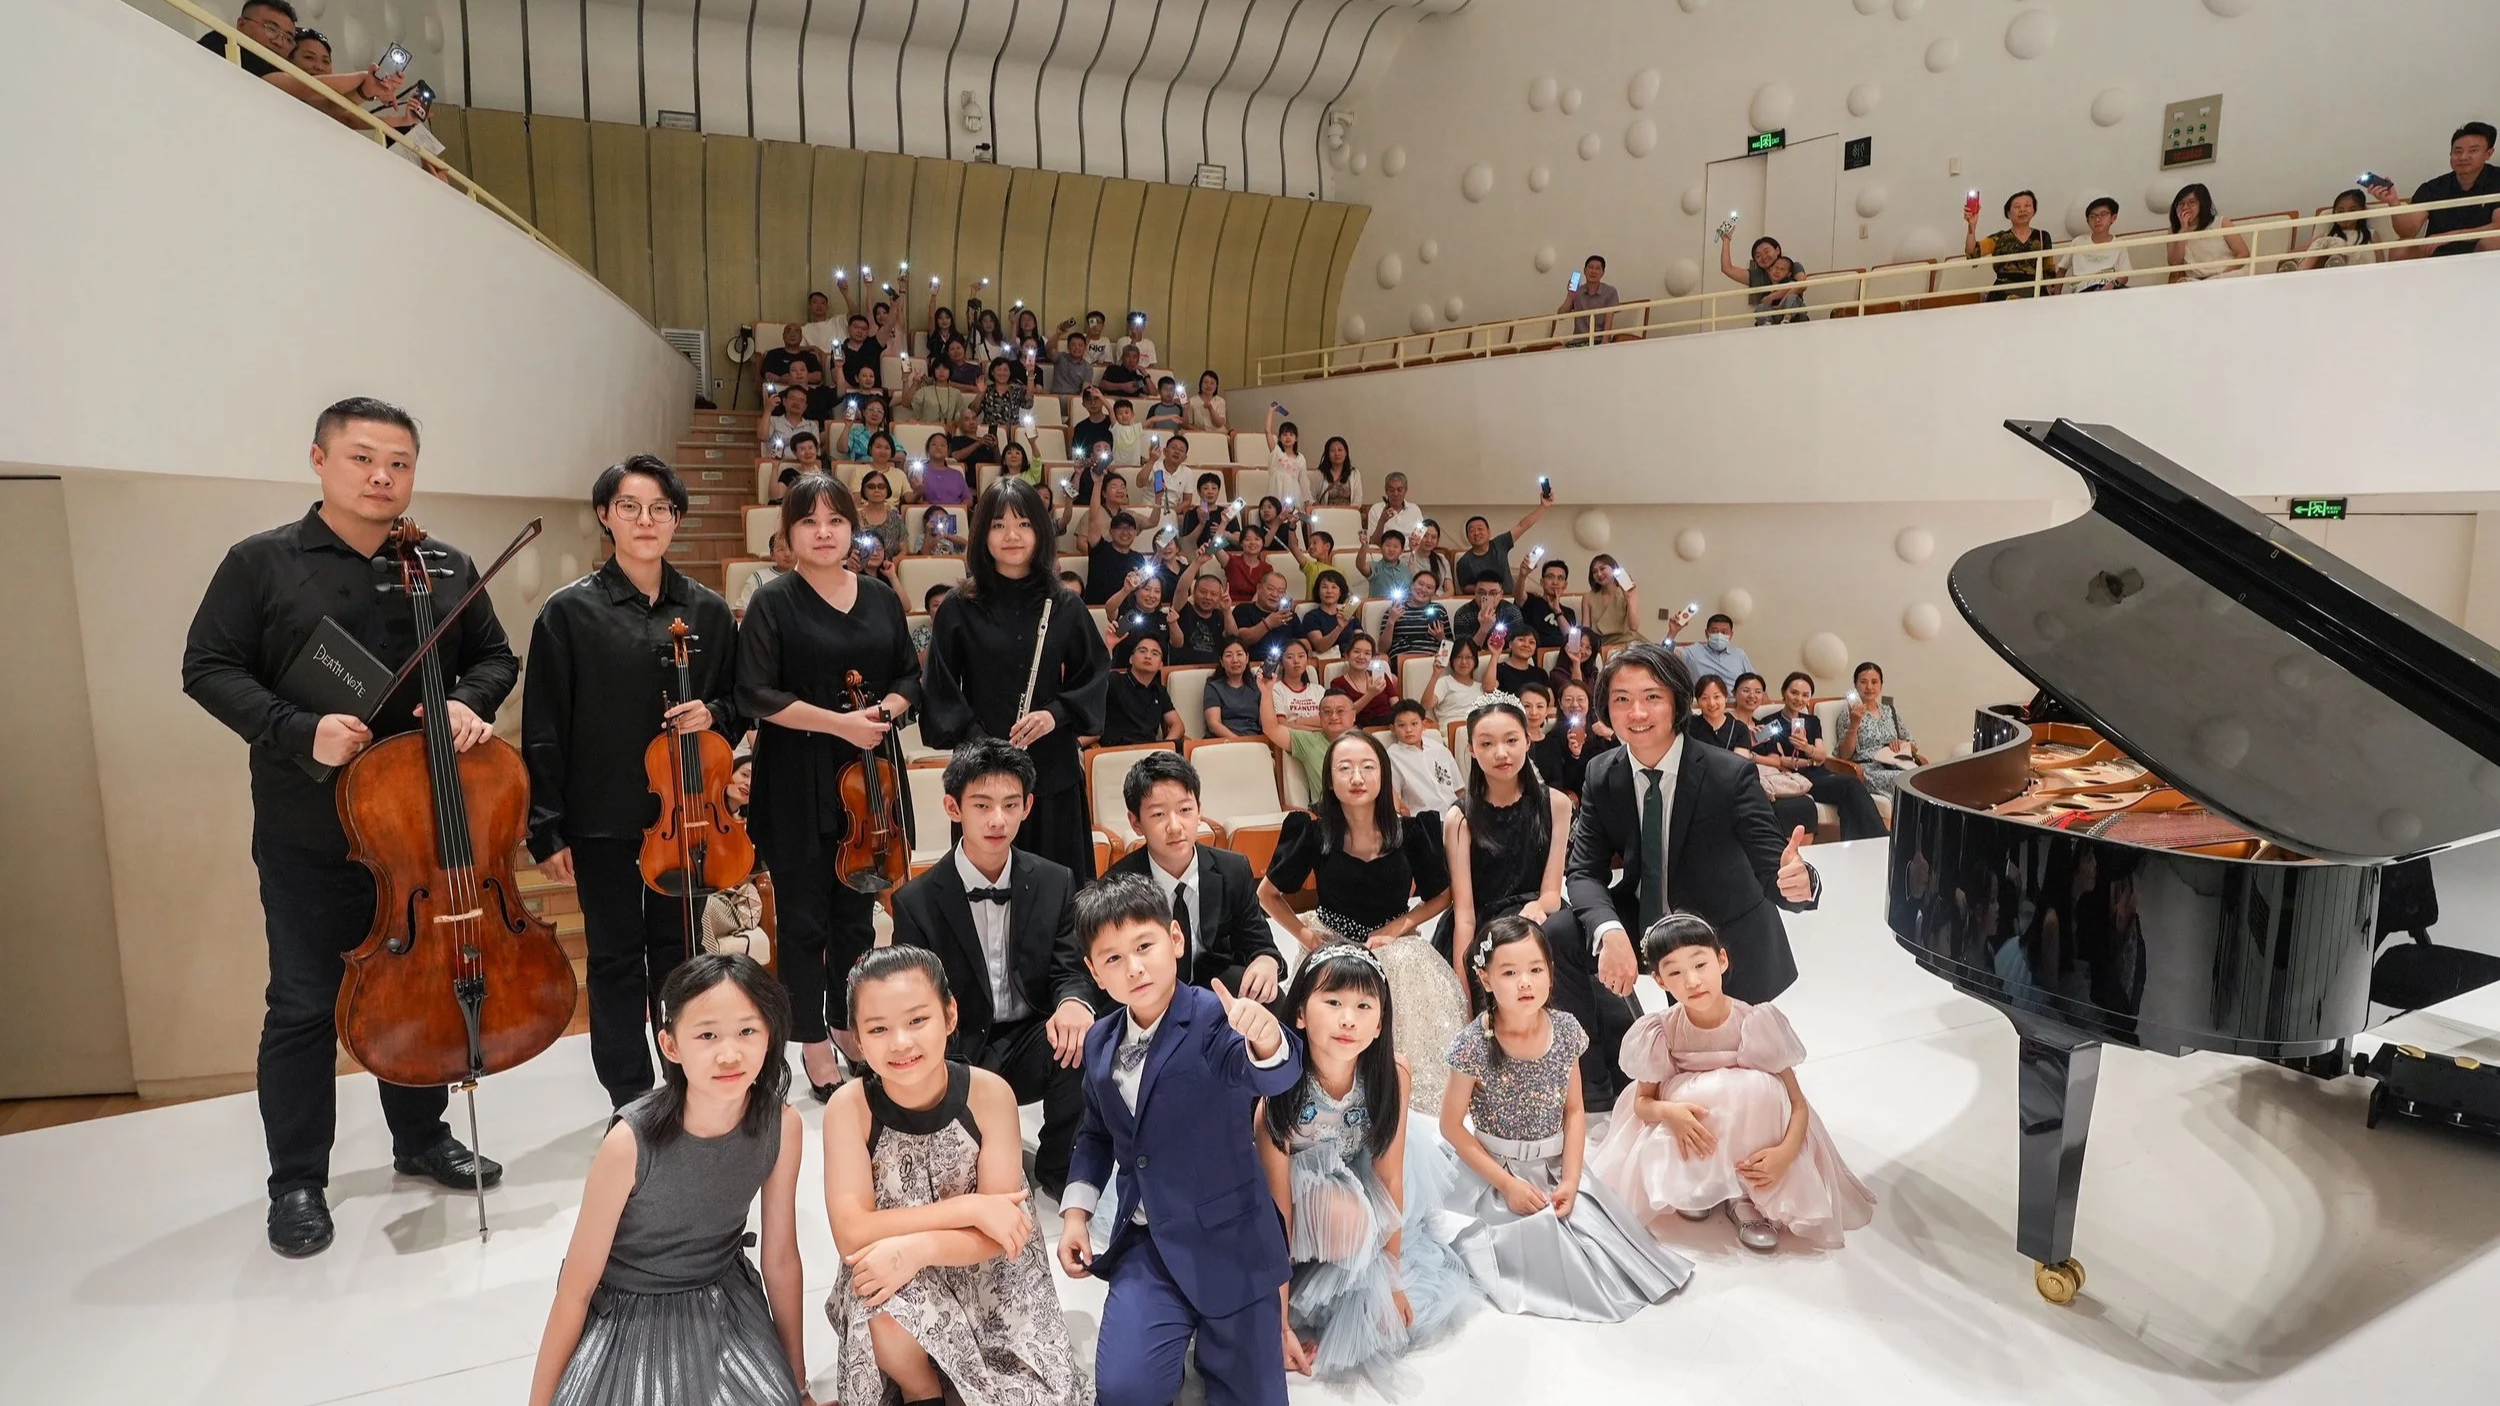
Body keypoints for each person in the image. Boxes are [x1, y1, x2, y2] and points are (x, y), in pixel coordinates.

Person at [182, 396, 517, 1258]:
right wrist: (301, 730)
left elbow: (494, 657)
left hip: (425, 837)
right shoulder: (262, 563)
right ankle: (297, 1181)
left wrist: (468, 703)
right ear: (320, 460)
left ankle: (420, 1136)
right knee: (301, 1007)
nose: (382, 476)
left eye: (399, 463)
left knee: (426, 982)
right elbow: (207, 666)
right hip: (311, 831)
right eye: (364, 458)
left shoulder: (441, 564)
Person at [524, 457, 741, 1110]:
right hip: (602, 818)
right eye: (629, 507)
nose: (646, 521)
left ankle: (686, 1085)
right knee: (617, 960)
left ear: (676, 519)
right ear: (605, 516)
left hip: (689, 819)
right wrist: (546, 828)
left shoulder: (706, 608)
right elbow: (544, 727)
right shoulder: (568, 614)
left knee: (681, 957)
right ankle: (629, 1097)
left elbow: (736, 701)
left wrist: (716, 714)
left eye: (660, 509)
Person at [1058, 876, 1300, 1406]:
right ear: (1095, 973)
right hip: (1148, 1244)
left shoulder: (1215, 1017)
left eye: (1144, 946)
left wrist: (1265, 1037)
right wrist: (1076, 1213)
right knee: (1123, 1391)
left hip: (1231, 1240)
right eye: (1114, 959)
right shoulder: (1100, 1041)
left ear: (1175, 939)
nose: (1135, 967)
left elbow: (1272, 1077)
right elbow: (1096, 1131)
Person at [528, 956, 809, 1406]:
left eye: (747, 1031)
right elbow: (576, 1288)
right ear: (671, 1045)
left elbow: (780, 1259)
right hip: (628, 1315)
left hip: (725, 1302)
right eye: (707, 1035)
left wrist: (797, 1382)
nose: (729, 1053)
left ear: (770, 1035)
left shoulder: (782, 1125)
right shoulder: (629, 1142)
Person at [818, 946, 1080, 1406]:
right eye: (878, 1029)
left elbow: (1005, 1232)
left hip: (986, 1270)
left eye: (917, 1020)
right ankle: (923, 1393)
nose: (900, 1042)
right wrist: (968, 1207)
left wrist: (923, 1247)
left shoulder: (989, 1093)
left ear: (949, 1014)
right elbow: (852, 1233)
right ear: (856, 1039)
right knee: (879, 1301)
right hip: (894, 1273)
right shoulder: (850, 1106)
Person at [1564, 644, 1820, 1108]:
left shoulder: (1728, 772)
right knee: (1561, 932)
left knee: (1733, 1086)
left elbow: (1773, 866)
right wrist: (1609, 930)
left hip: (1721, 930)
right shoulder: (1603, 772)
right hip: (1645, 917)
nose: (1636, 712)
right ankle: (1609, 1074)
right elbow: (1584, 869)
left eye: (1651, 697)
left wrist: (1800, 882)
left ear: (1679, 702)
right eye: (1621, 699)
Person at [737, 474, 922, 1102]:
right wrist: (841, 722)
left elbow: (908, 676)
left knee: (858, 917)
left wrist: (888, 710)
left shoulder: (878, 597)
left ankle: (847, 1024)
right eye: (810, 521)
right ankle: (811, 1040)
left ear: (852, 528)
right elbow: (757, 694)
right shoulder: (773, 602)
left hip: (867, 783)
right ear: (788, 534)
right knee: (803, 920)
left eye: (836, 520)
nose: (824, 532)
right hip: (795, 777)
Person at [1440, 917, 1693, 1321]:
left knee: (1602, 1245)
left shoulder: (1566, 1030)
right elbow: (1450, 1126)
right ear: (1485, 979)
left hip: (1556, 1164)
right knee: (1530, 1251)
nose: (1525, 982)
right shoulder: (1473, 1044)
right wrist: (1506, 1184)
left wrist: (1573, 1178)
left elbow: (1575, 1111)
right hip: (1495, 1171)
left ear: (1551, 973)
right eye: (1509, 972)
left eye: (1535, 970)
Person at [887, 740, 1097, 1203]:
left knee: (1087, 1035)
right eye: (981, 805)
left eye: (1010, 805)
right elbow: (914, 998)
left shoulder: (1054, 879)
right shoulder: (915, 901)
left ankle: (1060, 1169)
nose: (997, 820)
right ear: (953, 807)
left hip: (1031, 1034)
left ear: (1028, 807)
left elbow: (1070, 965)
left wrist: (1073, 1003)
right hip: (958, 1042)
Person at [1588, 914, 1875, 1252]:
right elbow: (1643, 1102)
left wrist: (1785, 1153)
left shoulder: (1753, 1021)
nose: (1692, 981)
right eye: (1675, 972)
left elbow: (1796, 1103)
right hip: (1695, 1133)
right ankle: (1696, 1182)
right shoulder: (1662, 1031)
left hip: (1748, 1135)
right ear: (1660, 981)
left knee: (1759, 1090)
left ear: (1721, 960)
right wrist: (1670, 1113)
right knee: (1692, 1094)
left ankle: (1744, 1195)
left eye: (1700, 964)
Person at [1257, 948, 1476, 1386]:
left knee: (1368, 1229)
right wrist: (1278, 1324)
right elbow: (1274, 1211)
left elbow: (1390, 1177)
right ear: (1299, 1012)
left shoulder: (1391, 1074)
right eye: (1332, 1002)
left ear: (1380, 1025)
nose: (1348, 1020)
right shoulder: (1279, 1089)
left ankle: (1336, 1258)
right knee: (1348, 1219)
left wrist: (1391, 1281)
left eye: (1363, 1007)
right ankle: (1301, 1271)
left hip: (1350, 1171)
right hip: (1282, 1190)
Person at [1257, 731, 1465, 1113]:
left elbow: (1442, 894)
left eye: (1368, 767)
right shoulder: (1314, 833)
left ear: (1383, 775)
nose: (1357, 777)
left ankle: (1399, 1103)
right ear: (1330, 779)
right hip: (1334, 940)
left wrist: (1399, 927)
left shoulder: (1411, 831)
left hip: (1394, 943)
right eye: (1345, 768)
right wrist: (1306, 935)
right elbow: (1267, 895)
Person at [921, 478, 1112, 879]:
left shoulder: (1063, 604)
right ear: (981, 534)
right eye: (998, 525)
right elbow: (940, 687)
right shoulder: (959, 606)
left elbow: (1093, 673)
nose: (1011, 535)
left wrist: (1053, 715)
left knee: (1058, 890)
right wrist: (981, 743)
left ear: (1040, 532)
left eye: (1024, 524)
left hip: (1051, 770)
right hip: (982, 774)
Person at [1106, 750, 1288, 1001]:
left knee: (1271, 995)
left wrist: (1266, 960)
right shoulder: (1119, 886)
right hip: (1150, 992)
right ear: (1136, 822)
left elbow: (1258, 939)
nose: (1175, 826)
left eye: (1185, 809)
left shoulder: (1231, 869)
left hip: (1215, 982)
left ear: (1199, 810)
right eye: (1158, 814)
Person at [1440, 694, 1578, 977]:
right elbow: (1464, 914)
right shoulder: (1460, 817)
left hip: (1540, 919)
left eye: (1511, 740)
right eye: (1487, 743)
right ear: (1472, 750)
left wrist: (1537, 906)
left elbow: (1552, 892)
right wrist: (1465, 984)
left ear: (1528, 741)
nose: (1501, 753)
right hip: (1485, 929)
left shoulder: (1557, 804)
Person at [1755, 671, 1887, 840]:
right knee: (1850, 784)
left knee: (1849, 794)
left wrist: (1806, 747)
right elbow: (1779, 760)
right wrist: (1808, 760)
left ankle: (1860, 843)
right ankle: (1881, 839)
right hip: (1794, 778)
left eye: (1805, 695)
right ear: (1783, 692)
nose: (1798, 699)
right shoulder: (1769, 722)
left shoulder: (1812, 721)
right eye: (1793, 692)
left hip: (1819, 773)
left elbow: (1821, 755)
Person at [1682, 674, 1817, 840]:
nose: (1711, 703)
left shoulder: (1751, 727)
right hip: (1709, 784)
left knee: (1803, 804)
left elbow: (1749, 764)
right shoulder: (1692, 726)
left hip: (1741, 781)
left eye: (1717, 697)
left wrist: (1751, 750)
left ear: (1725, 697)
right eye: (1705, 698)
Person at [2374, 121, 2500, 257]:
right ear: (2450, 154)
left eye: (2473, 150)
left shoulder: (2496, 178)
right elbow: (2408, 232)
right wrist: (2393, 202)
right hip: (2438, 251)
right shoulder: (2434, 187)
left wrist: (2451, 236)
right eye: (2458, 151)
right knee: (2399, 248)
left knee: (2493, 241)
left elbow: (2497, 226)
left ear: (2488, 154)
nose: (2463, 157)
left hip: (2478, 248)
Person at [1835, 660, 1925, 799]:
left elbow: (1914, 745)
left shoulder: (1890, 711)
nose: (1869, 687)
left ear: (1881, 685)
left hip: (1897, 764)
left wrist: (1902, 744)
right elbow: (1845, 755)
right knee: (1905, 780)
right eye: (1863, 682)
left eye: (1874, 682)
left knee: (1924, 776)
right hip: (1869, 770)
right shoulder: (1848, 714)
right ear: (1855, 684)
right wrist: (1854, 724)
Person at [1451, 488, 1554, 589]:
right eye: (1472, 530)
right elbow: (1465, 587)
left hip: (1509, 599)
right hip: (1484, 602)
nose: (1476, 533)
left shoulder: (1499, 543)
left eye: (1480, 529)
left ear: (1489, 532)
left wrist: (1543, 506)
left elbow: (1522, 525)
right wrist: (1487, 589)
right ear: (1467, 537)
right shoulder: (1464, 561)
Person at [1964, 189, 2056, 300]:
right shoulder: (1999, 238)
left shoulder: (2043, 236)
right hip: (2003, 291)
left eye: (2027, 205)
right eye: (2017, 207)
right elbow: (1972, 253)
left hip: (2034, 290)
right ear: (2008, 213)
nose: (2022, 209)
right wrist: (1972, 226)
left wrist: (2052, 294)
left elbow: (2049, 269)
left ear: (2034, 210)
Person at [1530, 681, 1616, 798]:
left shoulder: (1604, 726)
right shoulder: (1554, 737)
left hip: (1611, 786)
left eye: (1580, 699)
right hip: (1583, 794)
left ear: (1589, 702)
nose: (1575, 704)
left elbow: (1622, 758)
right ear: (1560, 704)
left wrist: (1611, 735)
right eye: (1568, 700)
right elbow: (1565, 782)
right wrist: (1574, 756)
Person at [1096, 636, 1182, 746]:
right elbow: (1094, 679)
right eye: (1142, 651)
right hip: (1116, 752)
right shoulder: (1114, 680)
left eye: (1155, 653)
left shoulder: (1159, 691)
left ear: (1161, 665)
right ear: (1131, 659)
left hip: (1149, 754)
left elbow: (1177, 724)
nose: (1148, 656)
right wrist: (1108, 647)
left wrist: (1163, 747)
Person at [2166, 183, 2251, 280]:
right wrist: (2184, 229)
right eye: (2181, 204)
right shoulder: (2174, 230)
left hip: (2228, 275)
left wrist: (2220, 276)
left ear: (2202, 204)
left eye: (2191, 202)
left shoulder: (2222, 223)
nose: (2185, 207)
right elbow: (2174, 263)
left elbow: (2243, 253)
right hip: (2196, 281)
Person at [1718, 228, 1800, 325]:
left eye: (1766, 251)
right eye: (1758, 256)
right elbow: (1727, 269)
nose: (1763, 257)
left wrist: (1771, 297)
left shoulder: (1793, 266)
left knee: (1793, 299)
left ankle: (1787, 318)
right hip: (1768, 322)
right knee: (1760, 308)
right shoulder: (1755, 275)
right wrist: (1726, 241)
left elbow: (1801, 285)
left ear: (1777, 250)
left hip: (1796, 321)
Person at [2296, 188, 2381, 269]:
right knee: (2324, 242)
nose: (2345, 215)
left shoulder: (2371, 235)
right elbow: (2296, 252)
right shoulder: (2326, 237)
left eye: (2352, 210)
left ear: (2362, 211)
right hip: (2331, 277)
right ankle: (2297, 272)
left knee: (2336, 242)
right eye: (2340, 211)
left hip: (2364, 275)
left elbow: (2382, 262)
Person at [1328, 633, 1400, 727]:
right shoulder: (1338, 683)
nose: (1361, 657)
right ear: (1347, 655)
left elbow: (1396, 706)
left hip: (1388, 728)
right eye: (1357, 651)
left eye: (1367, 653)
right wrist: (1370, 694)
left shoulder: (1381, 676)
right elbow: (1345, 714)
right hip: (1362, 730)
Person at [2063, 196, 2134, 291]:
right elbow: (2061, 269)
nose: (2097, 220)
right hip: (2084, 290)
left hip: (2110, 288)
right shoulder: (2078, 242)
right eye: (2092, 216)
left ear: (2113, 218)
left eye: (2103, 215)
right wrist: (2055, 296)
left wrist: (2112, 284)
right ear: (2088, 221)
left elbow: (2124, 276)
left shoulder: (2119, 245)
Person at [1202, 640, 1265, 740]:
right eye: (1228, 655)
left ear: (1247, 658)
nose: (1235, 660)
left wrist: (1266, 690)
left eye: (1239, 654)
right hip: (1223, 742)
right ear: (1221, 661)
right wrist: (1239, 742)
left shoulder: (1257, 686)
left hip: (1254, 741)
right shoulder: (1213, 687)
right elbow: (1213, 724)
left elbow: (1265, 723)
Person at [1677, 612, 1753, 692]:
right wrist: (1673, 631)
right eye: (1714, 631)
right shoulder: (1693, 652)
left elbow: (1754, 681)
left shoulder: (1739, 654)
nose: (1719, 635)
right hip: (1705, 701)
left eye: (1724, 632)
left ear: (1731, 634)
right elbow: (1665, 656)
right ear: (1707, 633)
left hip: (1735, 702)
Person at [1385, 571, 1452, 659]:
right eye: (1420, 584)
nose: (1423, 589)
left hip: (1432, 659)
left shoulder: (1439, 610)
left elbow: (1450, 648)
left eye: (1429, 587)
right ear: (1412, 585)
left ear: (1434, 592)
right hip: (1402, 658)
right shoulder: (1395, 609)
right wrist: (1391, 621)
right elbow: (1383, 649)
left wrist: (1441, 638)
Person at [1555, 254, 1622, 342]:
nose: (1593, 271)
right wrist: (1570, 296)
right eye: (1591, 267)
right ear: (1585, 271)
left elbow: (1609, 320)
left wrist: (1605, 341)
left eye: (1598, 268)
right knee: (1556, 350)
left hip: (1598, 340)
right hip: (1578, 342)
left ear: (1603, 273)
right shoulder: (1577, 292)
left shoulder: (1610, 292)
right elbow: (1561, 316)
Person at [1452, 575, 1525, 655]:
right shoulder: (1463, 614)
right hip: (1473, 661)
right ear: (1475, 593)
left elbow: (1517, 646)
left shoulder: (1512, 611)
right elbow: (1464, 652)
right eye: (1481, 593)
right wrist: (1484, 628)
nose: (1487, 597)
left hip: (1504, 658)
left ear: (1501, 594)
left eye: (1493, 593)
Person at [1516, 554, 1577, 647]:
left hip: (1562, 656)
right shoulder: (1531, 601)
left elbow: (1572, 641)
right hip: (1534, 654)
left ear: (1565, 585)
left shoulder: (1569, 612)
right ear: (1542, 582)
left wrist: (1557, 610)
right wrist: (1523, 575)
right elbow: (1518, 595)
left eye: (1560, 578)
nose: (1555, 582)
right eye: (1550, 577)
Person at [1424, 637, 1486, 727]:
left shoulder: (1480, 687)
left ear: (1475, 661)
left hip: (1478, 731)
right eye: (1459, 657)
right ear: (1451, 660)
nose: (1463, 662)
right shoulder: (1445, 682)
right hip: (1452, 732)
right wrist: (1435, 675)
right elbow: (1426, 705)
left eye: (1468, 657)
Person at [738, 532, 796, 613]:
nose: (787, 554)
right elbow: (742, 610)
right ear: (772, 554)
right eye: (781, 549)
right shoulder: (757, 577)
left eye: (791, 548)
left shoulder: (809, 576)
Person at [1266, 404, 1310, 507]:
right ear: (1280, 438)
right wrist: (1271, 411)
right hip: (1276, 493)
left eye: (1291, 434)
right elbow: (1267, 431)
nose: (1288, 437)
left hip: (1294, 497)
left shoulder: (1301, 458)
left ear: (1296, 438)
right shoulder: (1276, 453)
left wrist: (1307, 503)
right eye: (1284, 434)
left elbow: (1303, 481)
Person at [1364, 472, 1425, 545]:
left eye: (1399, 490)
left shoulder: (1414, 509)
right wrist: (1382, 521)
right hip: (1387, 553)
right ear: (1386, 491)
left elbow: (1421, 538)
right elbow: (1373, 542)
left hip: (1410, 552)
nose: (1395, 494)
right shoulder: (1376, 509)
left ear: (1405, 490)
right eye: (1392, 490)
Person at [762, 324, 826, 395]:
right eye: (788, 331)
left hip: (807, 394)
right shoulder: (773, 354)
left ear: (801, 337)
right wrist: (781, 379)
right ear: (783, 336)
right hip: (779, 393)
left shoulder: (810, 356)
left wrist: (793, 379)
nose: (792, 335)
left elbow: (818, 376)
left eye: (796, 331)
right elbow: (768, 376)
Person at [1490, 627, 1545, 697]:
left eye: (1531, 642)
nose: (1526, 645)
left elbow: (1550, 701)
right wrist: (1495, 655)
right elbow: (1489, 689)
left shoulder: (1541, 674)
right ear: (1510, 644)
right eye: (1521, 640)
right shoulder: (1498, 669)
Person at [1312, 435, 1362, 508]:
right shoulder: (1319, 474)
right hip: (1326, 515)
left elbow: (1357, 499)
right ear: (1328, 454)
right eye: (1332, 451)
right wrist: (1320, 508)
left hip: (1348, 515)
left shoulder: (1354, 474)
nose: (1337, 454)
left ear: (1346, 453)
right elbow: (1311, 497)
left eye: (1340, 450)